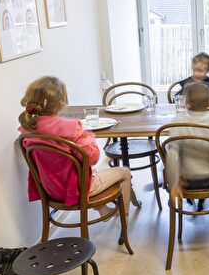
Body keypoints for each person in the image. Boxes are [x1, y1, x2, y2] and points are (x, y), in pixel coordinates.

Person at [18, 76, 132, 217]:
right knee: (125, 171)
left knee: (88, 170)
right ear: (61, 102)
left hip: (50, 189)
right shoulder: (71, 128)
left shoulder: (27, 129)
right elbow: (92, 158)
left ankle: (104, 212)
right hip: (77, 188)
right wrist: (88, 137)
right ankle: (125, 218)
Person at [164, 82, 209, 204]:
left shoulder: (178, 121)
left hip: (186, 180)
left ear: (186, 103)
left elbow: (171, 156)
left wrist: (174, 182)